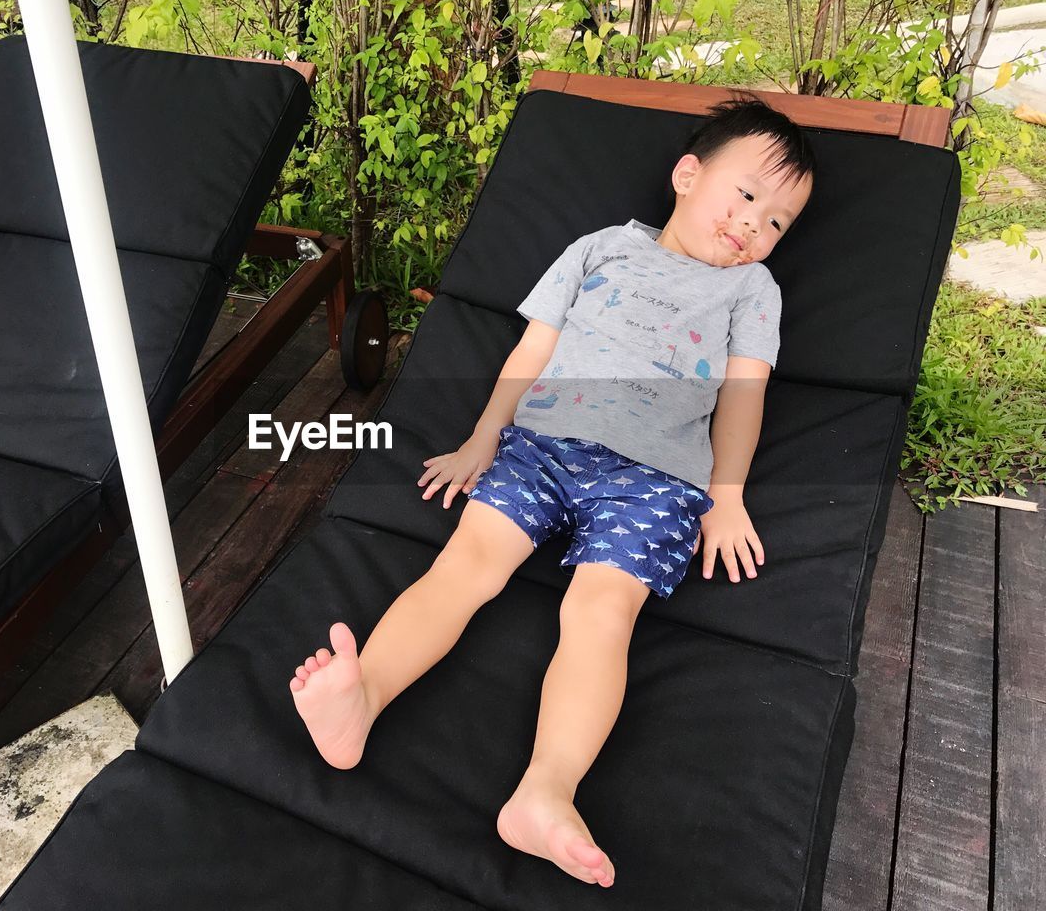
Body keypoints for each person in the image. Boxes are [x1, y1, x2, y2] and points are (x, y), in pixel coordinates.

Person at [287, 91, 816, 889]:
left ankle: (545, 793)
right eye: (747, 195)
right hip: (541, 447)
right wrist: (483, 437)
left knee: (599, 614)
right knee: (464, 567)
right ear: (686, 175)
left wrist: (728, 495)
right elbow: (534, 348)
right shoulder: (602, 248)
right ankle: (361, 698)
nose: (754, 226)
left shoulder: (752, 293)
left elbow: (745, 396)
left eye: (777, 222)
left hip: (655, 481)